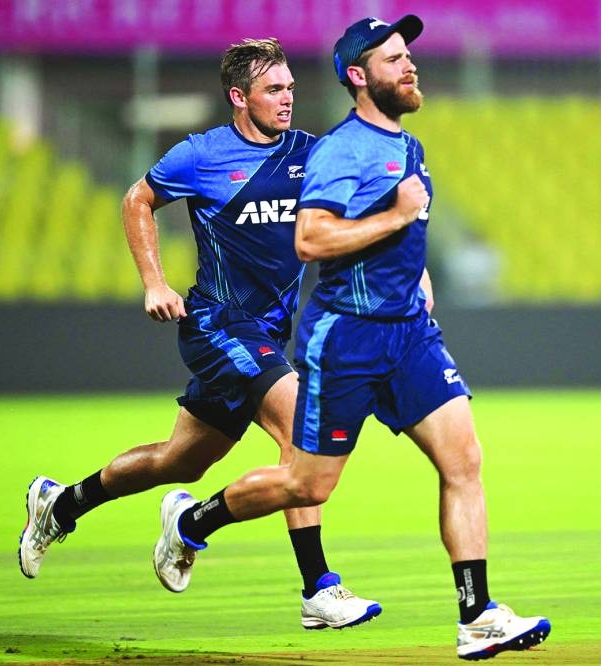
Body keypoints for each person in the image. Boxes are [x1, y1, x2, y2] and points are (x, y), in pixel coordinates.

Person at [151, 15, 552, 661]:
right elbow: (311, 239)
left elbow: (398, 234)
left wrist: (417, 271)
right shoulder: (339, 151)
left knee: (464, 460)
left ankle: (477, 614)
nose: (411, 66)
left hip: (410, 335)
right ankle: (194, 520)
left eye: (409, 55)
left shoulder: (407, 147)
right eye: (395, 59)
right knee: (306, 484)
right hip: (347, 338)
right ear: (359, 78)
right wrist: (396, 215)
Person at [18, 37, 382, 631]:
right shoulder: (202, 155)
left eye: (290, 87)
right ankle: (319, 587)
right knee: (302, 429)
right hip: (217, 324)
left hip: (268, 334)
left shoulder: (308, 155)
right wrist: (154, 282)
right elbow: (138, 199)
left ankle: (60, 504)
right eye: (273, 89)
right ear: (240, 97)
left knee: (177, 462)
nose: (287, 98)